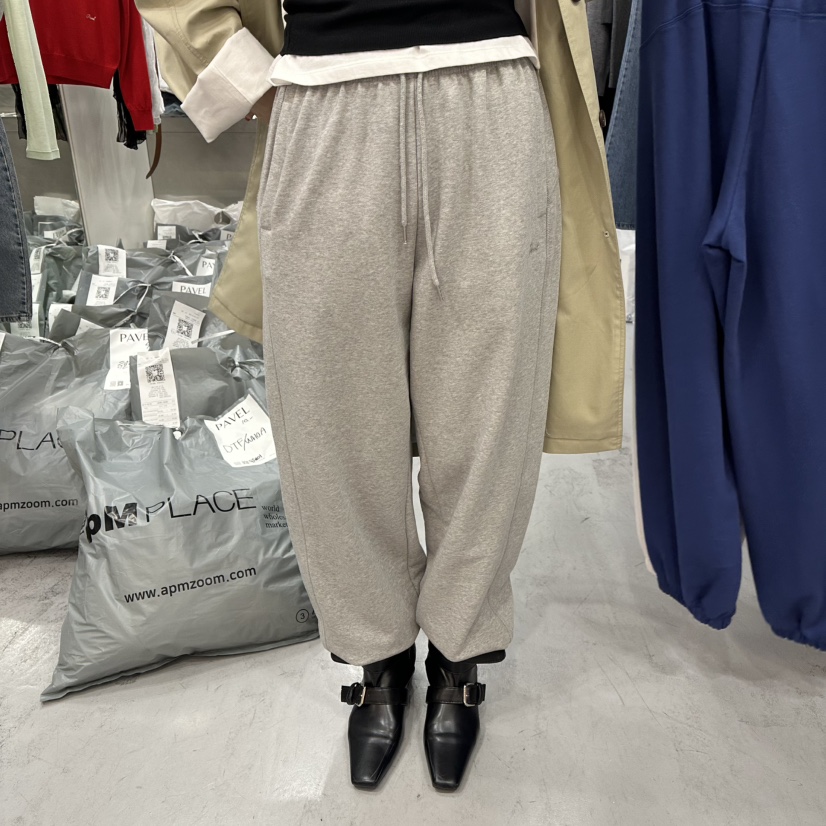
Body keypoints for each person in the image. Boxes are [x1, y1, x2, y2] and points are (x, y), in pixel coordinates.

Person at [136, 0, 625, 792]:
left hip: (492, 93)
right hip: (327, 96)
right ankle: (378, 655)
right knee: (330, 420)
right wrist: (243, 71)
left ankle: (460, 656)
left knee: (488, 417)